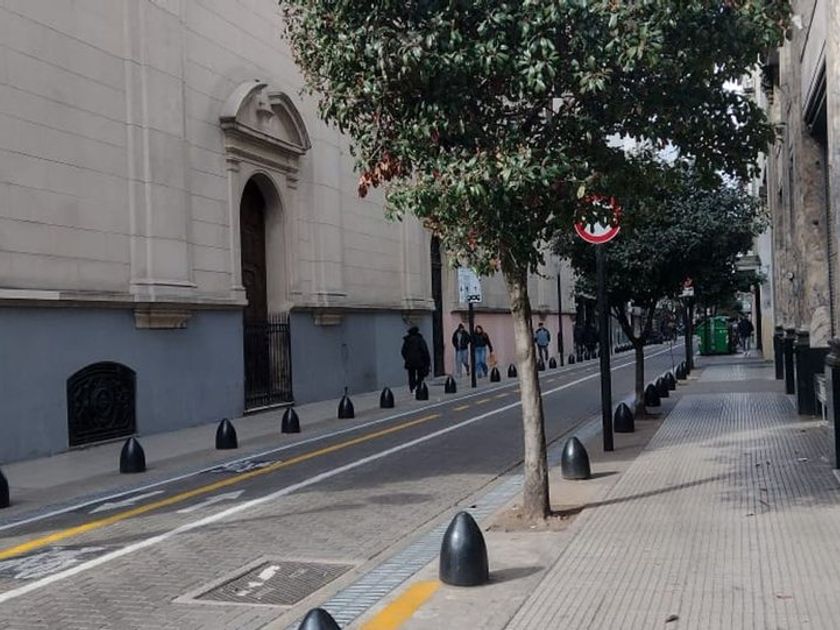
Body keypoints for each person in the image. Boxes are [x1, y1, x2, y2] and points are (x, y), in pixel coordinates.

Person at [401, 326, 431, 393]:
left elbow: (403, 351)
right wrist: (427, 362)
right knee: (420, 375)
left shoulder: (407, 340)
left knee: (411, 375)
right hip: (419, 361)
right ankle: (418, 386)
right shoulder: (420, 340)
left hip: (410, 361)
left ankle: (412, 388)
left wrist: (407, 358)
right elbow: (425, 351)